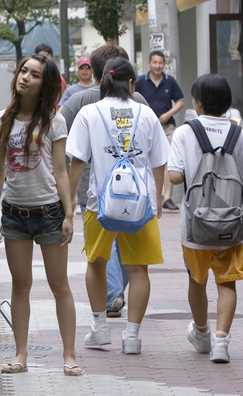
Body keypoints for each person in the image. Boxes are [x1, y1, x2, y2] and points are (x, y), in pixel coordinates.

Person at [66, 57, 167, 355]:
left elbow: (77, 162)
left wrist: (70, 200)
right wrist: (158, 197)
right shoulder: (146, 114)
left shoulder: (89, 113)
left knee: (95, 263)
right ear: (131, 83)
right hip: (141, 203)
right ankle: (132, 336)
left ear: (102, 82)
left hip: (100, 202)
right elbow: (159, 161)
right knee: (139, 270)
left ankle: (99, 329)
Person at [0, 54, 81, 376]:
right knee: (20, 285)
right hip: (14, 214)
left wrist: (69, 214)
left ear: (46, 84)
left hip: (50, 213)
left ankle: (69, 356)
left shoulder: (54, 121)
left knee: (60, 285)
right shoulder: (2, 119)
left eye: (35, 74)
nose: (25, 77)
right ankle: (20, 355)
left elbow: (60, 170)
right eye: (23, 71)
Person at [61, 45, 151, 318]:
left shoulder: (77, 102)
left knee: (104, 247)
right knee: (128, 243)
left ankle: (112, 296)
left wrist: (67, 195)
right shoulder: (140, 102)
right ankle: (115, 294)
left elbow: (61, 139)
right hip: (135, 190)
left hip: (92, 188)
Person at [168, 74, 243, 364]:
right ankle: (222, 342)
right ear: (226, 102)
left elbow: (174, 175)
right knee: (228, 283)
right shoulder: (238, 132)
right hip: (232, 222)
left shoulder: (186, 133)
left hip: (196, 224)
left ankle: (202, 335)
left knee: (197, 281)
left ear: (197, 102)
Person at [135, 50, 185, 210]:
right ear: (149, 63)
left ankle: (167, 198)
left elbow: (181, 101)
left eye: (160, 62)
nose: (157, 65)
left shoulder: (170, 81)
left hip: (167, 126)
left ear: (164, 64)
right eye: (154, 62)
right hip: (145, 128)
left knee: (168, 160)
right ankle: (146, 194)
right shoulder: (140, 81)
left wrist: (167, 114)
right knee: (146, 159)